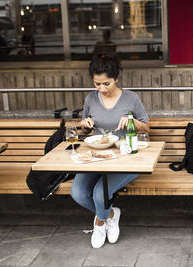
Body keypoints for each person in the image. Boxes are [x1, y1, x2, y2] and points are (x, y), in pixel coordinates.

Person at [71, 53, 150, 249]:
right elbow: (86, 130)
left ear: (116, 78)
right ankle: (111, 214)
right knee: (78, 193)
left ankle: (99, 222)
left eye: (106, 83)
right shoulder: (90, 98)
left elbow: (147, 127)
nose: (101, 89)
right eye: (97, 84)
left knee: (100, 194)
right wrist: (84, 125)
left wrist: (132, 122)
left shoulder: (131, 98)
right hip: (97, 156)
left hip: (126, 157)